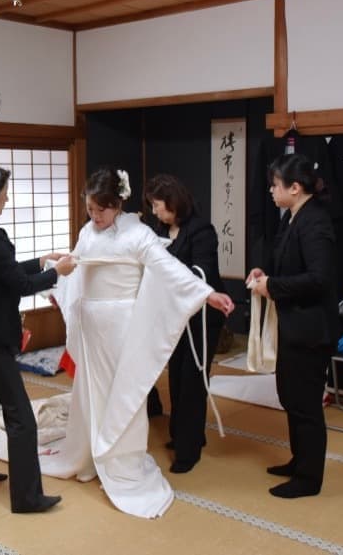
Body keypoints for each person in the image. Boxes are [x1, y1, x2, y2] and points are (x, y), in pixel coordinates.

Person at [41, 168, 234, 518]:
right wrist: (60, 280)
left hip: (122, 325)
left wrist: (207, 295)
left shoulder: (140, 234)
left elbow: (169, 268)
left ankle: (122, 460)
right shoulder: (88, 231)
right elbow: (77, 265)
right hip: (92, 326)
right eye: (90, 209)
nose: (95, 217)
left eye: (102, 210)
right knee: (92, 390)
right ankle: (89, 454)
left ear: (117, 205)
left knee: (124, 389)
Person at [0, 163, 77, 513]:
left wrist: (40, 261)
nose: (7, 197)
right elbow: (19, 286)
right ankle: (27, 497)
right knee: (21, 415)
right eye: (3, 191)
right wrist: (57, 272)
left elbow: (5, 272)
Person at [246, 153, 338, 499]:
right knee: (290, 395)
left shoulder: (316, 221)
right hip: (293, 324)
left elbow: (319, 277)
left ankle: (309, 477)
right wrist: (263, 274)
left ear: (295, 188)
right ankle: (300, 460)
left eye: (275, 185)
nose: (271, 190)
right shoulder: (292, 218)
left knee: (306, 404)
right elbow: (286, 265)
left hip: (311, 328)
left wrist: (273, 287)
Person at [144, 174, 226, 474]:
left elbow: (201, 273)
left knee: (193, 381)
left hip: (203, 315)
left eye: (157, 205)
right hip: (174, 315)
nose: (154, 211)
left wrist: (164, 270)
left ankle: (188, 452)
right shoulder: (162, 229)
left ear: (174, 202)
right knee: (176, 377)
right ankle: (185, 435)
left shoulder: (201, 231)